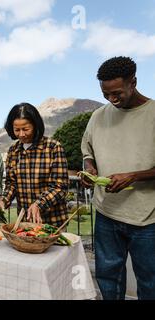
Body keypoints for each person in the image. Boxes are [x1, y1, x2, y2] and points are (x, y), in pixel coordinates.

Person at [80, 56, 155, 300]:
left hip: (147, 218)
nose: (112, 100)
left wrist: (133, 176)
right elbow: (87, 152)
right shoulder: (98, 116)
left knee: (150, 281)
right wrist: (89, 168)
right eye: (106, 94)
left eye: (117, 93)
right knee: (108, 278)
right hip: (106, 214)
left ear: (133, 82)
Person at [0, 103, 69, 226]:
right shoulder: (13, 151)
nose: (21, 134)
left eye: (26, 129)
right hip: (25, 222)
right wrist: (3, 200)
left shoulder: (53, 147)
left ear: (35, 125)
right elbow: (11, 184)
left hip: (53, 221)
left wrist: (39, 203)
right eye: (17, 130)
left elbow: (60, 186)